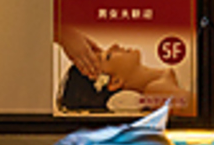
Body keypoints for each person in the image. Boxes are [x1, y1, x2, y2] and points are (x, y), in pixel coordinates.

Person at [57, 41, 190, 113]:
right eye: (108, 57)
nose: (115, 45)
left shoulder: (172, 75)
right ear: (115, 82)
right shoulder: (157, 91)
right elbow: (208, 114)